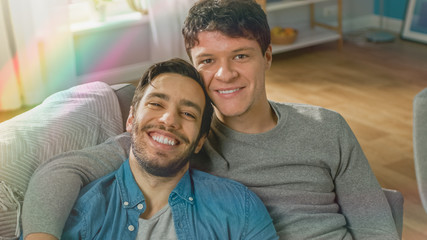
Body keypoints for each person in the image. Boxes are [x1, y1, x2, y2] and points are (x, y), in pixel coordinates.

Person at [22, 0, 399, 239]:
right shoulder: (181, 140)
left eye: (240, 56)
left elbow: (375, 227)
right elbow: (60, 172)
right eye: (207, 61)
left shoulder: (327, 127)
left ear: (267, 56)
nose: (224, 75)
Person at [56, 58, 278, 239]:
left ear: (200, 141)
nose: (169, 120)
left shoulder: (240, 208)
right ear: (131, 118)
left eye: (188, 114)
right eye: (156, 104)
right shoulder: (81, 214)